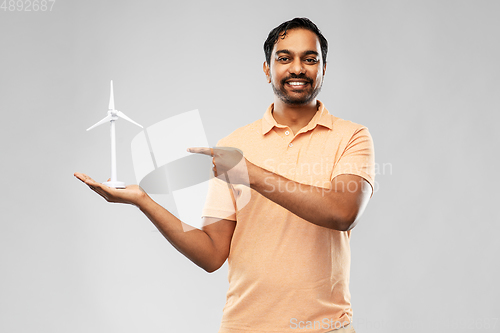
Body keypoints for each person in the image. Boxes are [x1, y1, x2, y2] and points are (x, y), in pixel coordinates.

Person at [75, 17, 374, 333]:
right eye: (284, 58)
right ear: (266, 68)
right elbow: (212, 254)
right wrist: (142, 200)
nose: (297, 68)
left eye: (309, 59)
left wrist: (250, 173)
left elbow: (343, 212)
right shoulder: (235, 144)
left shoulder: (351, 136)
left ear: (323, 68)